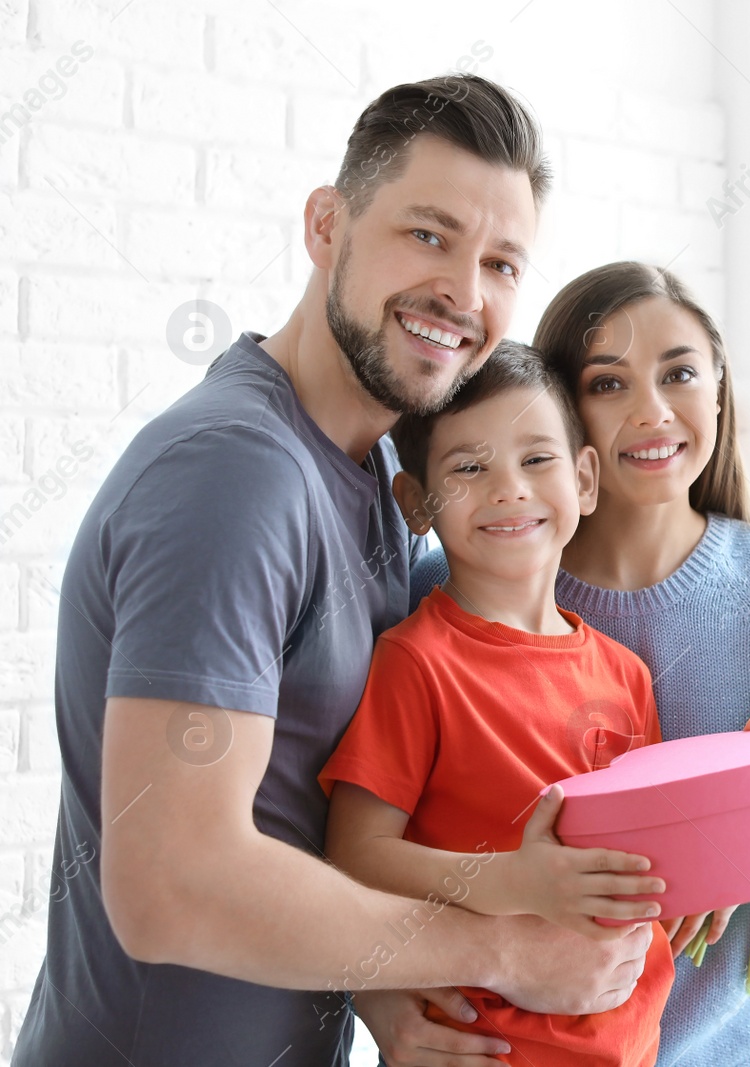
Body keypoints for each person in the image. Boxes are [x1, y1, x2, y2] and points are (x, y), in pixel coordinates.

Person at [11, 76, 656, 1066]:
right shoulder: (234, 474)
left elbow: (322, 819)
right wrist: (502, 951)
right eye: (428, 235)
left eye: (500, 262)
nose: (463, 293)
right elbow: (172, 884)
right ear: (325, 224)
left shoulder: (383, 485)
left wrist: (386, 994)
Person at [393, 262, 750, 1066]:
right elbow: (354, 832)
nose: (652, 411)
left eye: (680, 373)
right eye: (608, 384)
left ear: (718, 388)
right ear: (564, 415)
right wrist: (380, 997)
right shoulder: (458, 591)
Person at [321, 344, 750, 1065]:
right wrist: (504, 881)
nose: (509, 490)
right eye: (468, 467)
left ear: (585, 479)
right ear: (416, 503)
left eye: (536, 460)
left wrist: (736, 801)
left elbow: (649, 858)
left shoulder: (626, 673)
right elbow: (351, 858)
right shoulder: (416, 661)